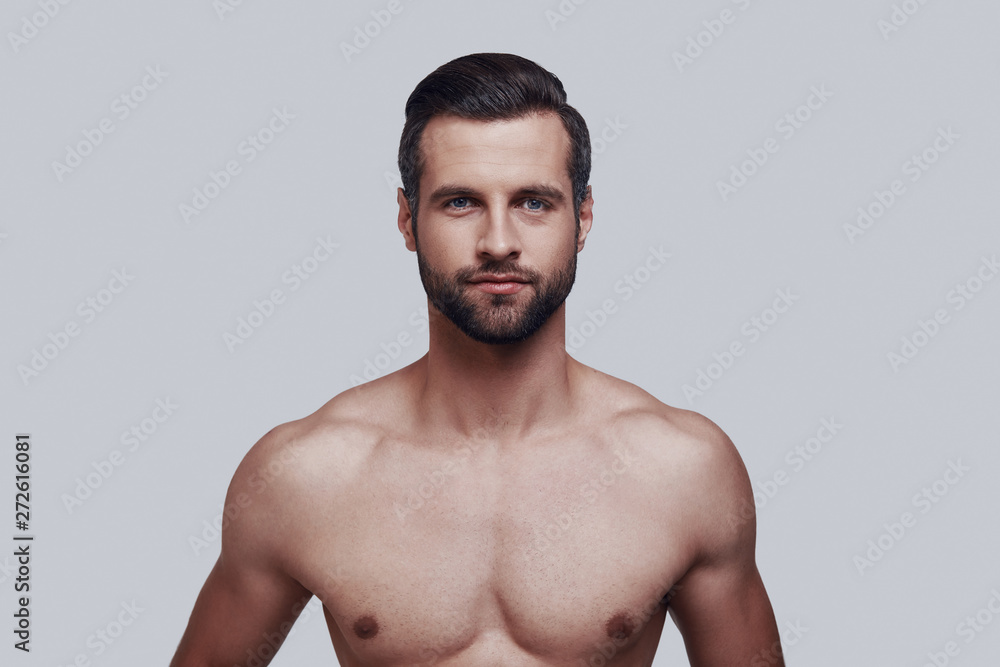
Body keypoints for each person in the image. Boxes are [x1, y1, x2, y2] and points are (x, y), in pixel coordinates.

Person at [170, 52, 785, 667]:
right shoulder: (303, 474)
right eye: (461, 202)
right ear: (409, 220)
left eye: (534, 203)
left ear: (584, 216)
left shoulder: (683, 471)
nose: (498, 242)